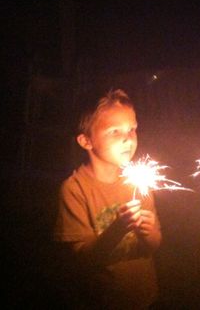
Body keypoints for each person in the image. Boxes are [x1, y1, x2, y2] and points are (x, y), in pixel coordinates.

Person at [54, 89, 161, 309]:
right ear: (86, 141)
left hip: (145, 298)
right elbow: (83, 260)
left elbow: (154, 245)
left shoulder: (138, 181)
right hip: (104, 301)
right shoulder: (75, 190)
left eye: (132, 129)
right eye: (115, 131)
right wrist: (117, 229)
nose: (128, 139)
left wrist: (148, 233)